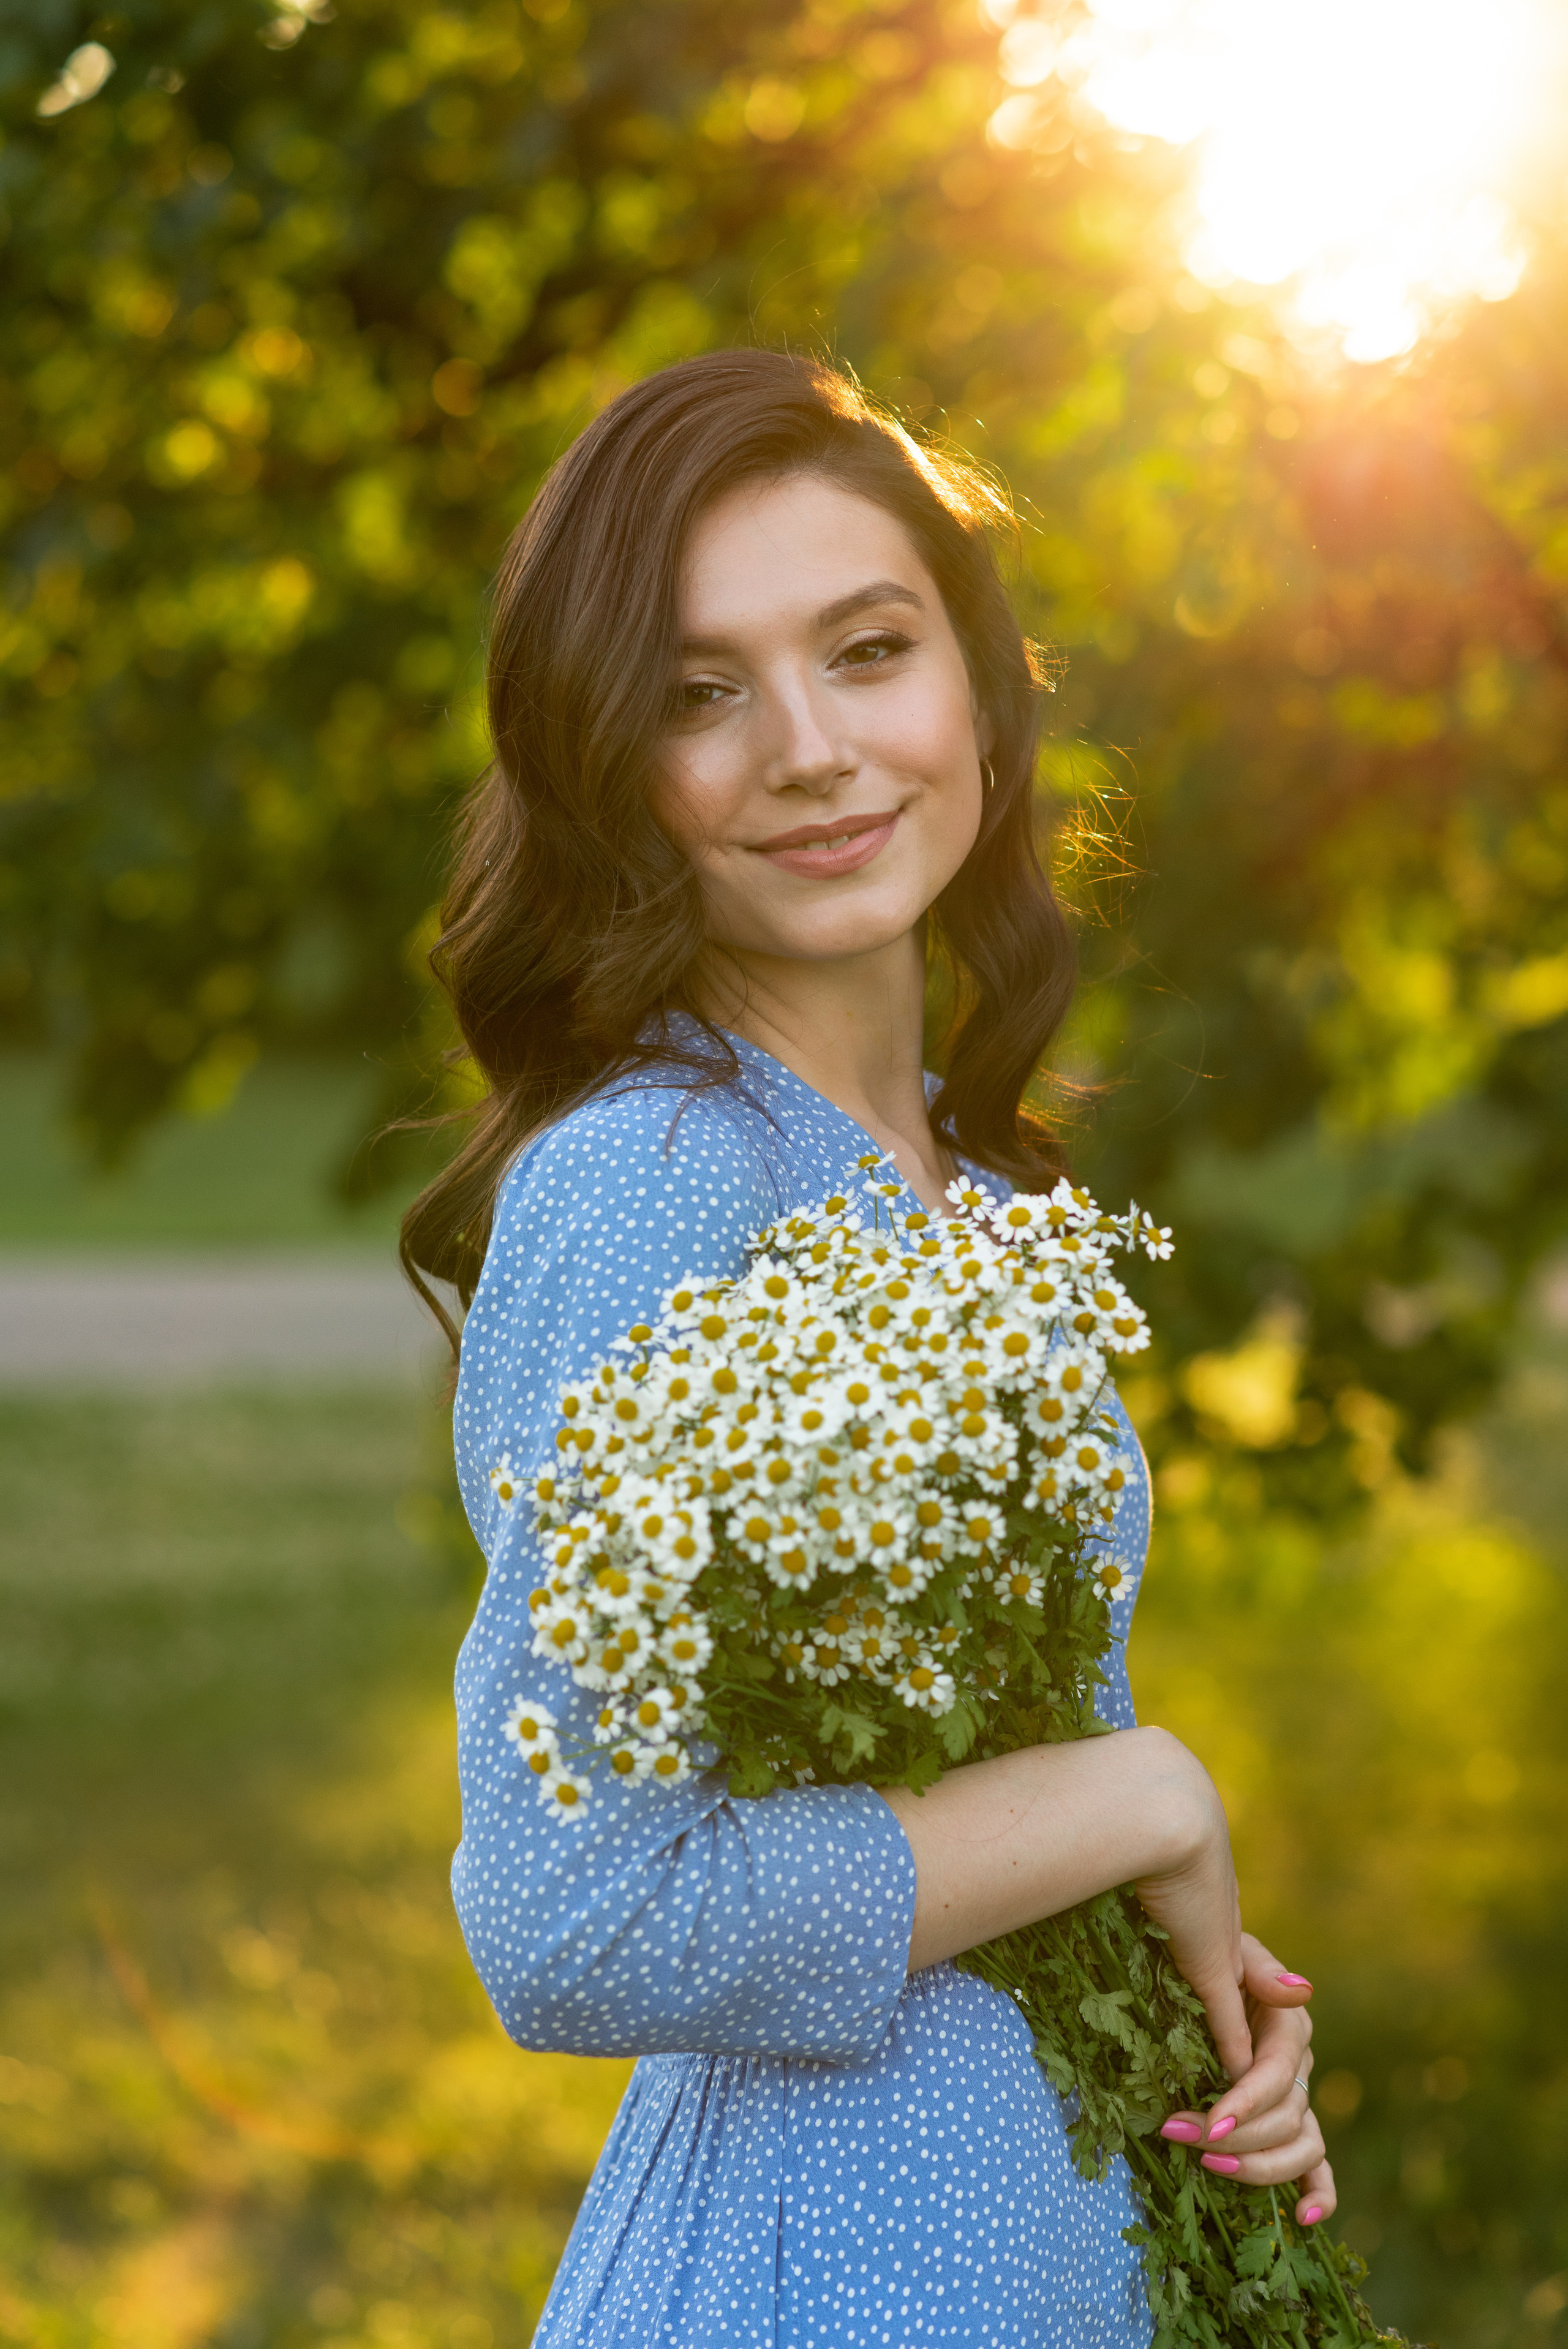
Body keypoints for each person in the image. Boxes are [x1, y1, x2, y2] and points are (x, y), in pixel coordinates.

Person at [402, 349, 1333, 2347]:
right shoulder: (654, 1179)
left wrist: (1199, 2022)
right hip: (824, 2276)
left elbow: (976, 1779)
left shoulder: (982, 1190)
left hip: (1067, 2236)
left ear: (978, 690)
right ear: (607, 764)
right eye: (697, 692)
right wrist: (1138, 1796)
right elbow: (580, 1918)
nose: (812, 747)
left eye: (867, 648)